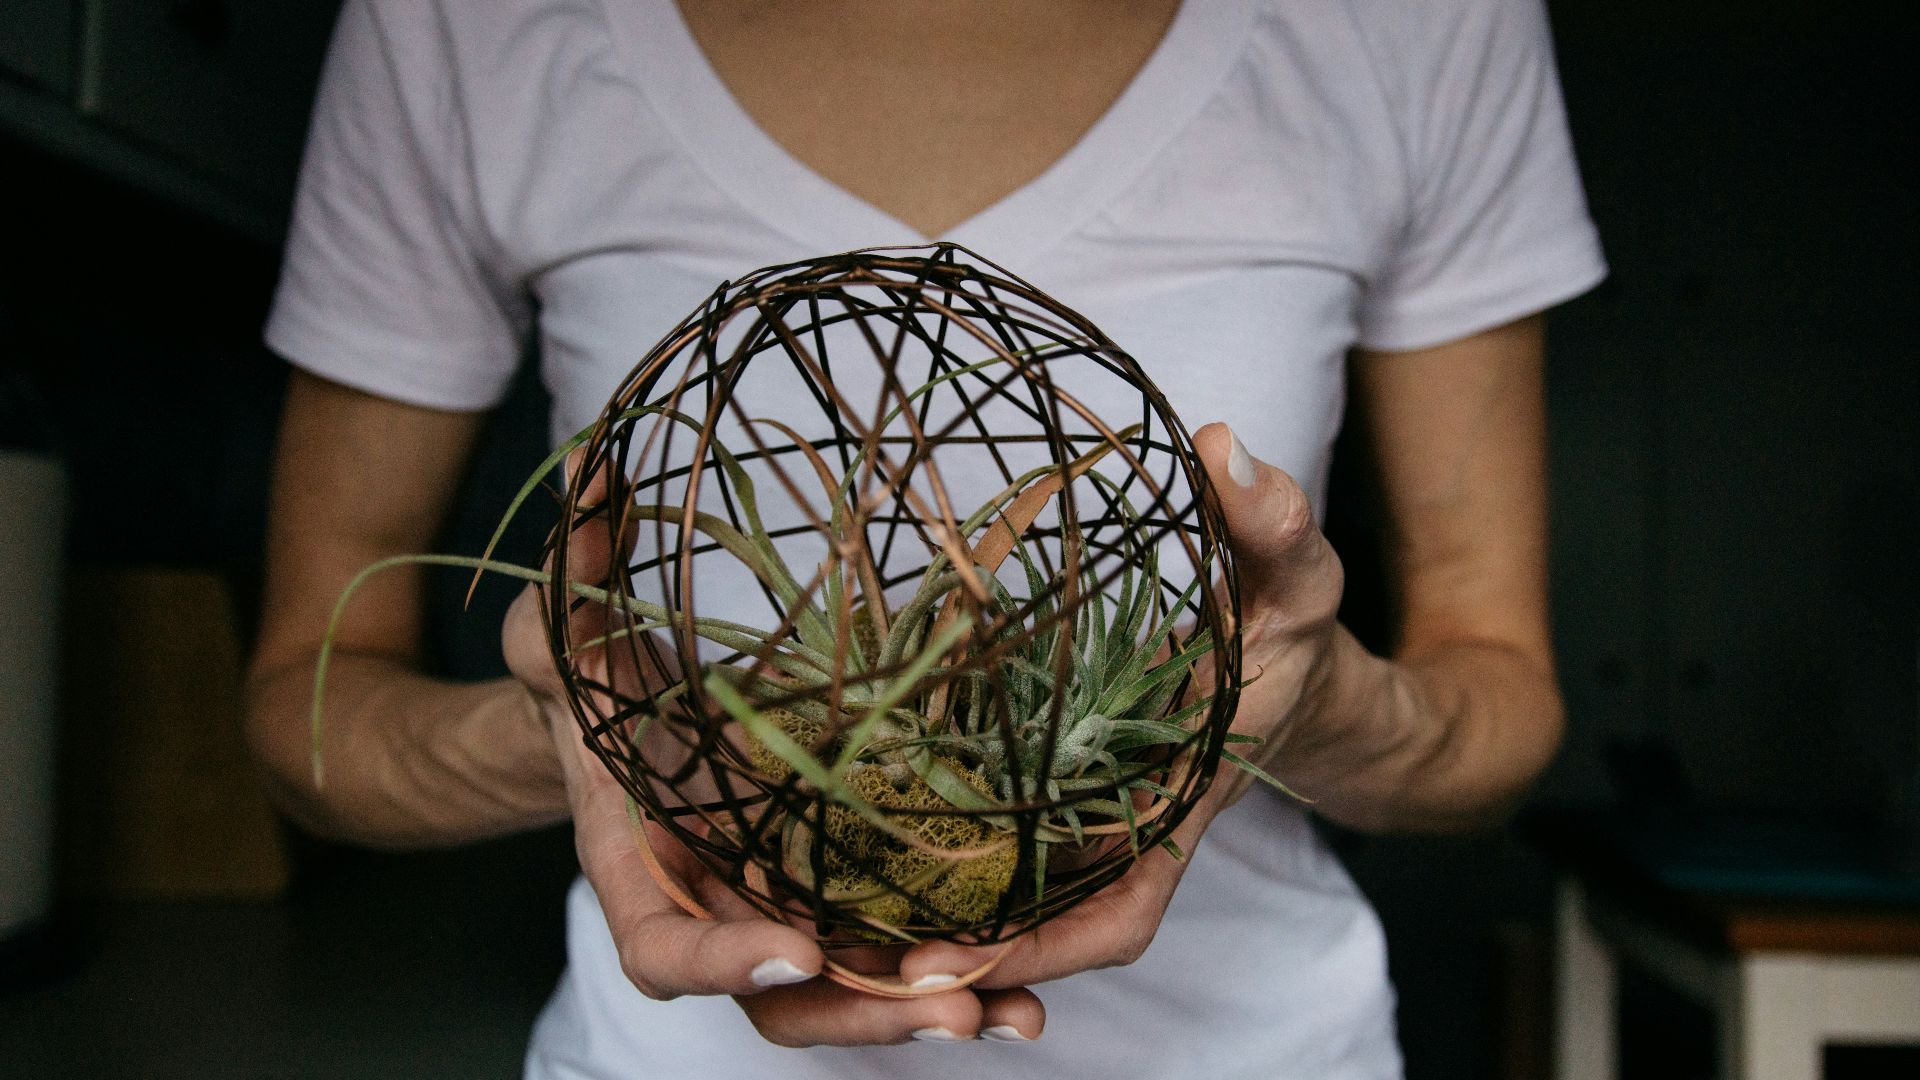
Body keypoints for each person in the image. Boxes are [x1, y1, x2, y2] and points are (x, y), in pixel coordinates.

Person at [245, 0, 1605, 1076]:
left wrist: (1310, 704)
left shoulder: (1416, 18)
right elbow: (307, 712)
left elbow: (1499, 700)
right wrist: (605, 734)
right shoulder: (463, 23)